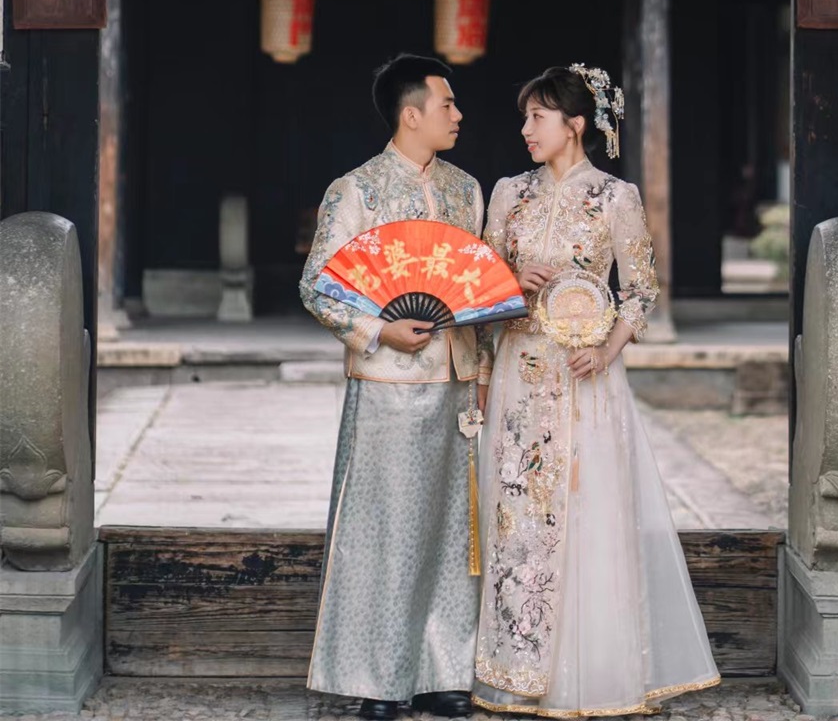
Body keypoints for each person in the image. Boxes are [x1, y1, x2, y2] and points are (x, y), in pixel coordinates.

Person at [473, 64, 720, 716]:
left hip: (583, 378)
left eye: (538, 117)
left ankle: (588, 673)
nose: (526, 130)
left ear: (575, 125)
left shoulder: (616, 198)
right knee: (517, 515)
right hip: (518, 372)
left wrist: (606, 350)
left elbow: (639, 290)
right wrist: (511, 284)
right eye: (525, 118)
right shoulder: (507, 194)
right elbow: (481, 288)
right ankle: (517, 668)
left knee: (587, 513)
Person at [299, 54, 491, 721]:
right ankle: (378, 680)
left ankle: (445, 674)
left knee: (452, 533)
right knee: (385, 531)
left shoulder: (468, 191)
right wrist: (379, 329)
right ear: (412, 115)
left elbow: (478, 287)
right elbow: (318, 286)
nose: (458, 115)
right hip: (387, 385)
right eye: (447, 104)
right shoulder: (356, 191)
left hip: (457, 383)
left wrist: (482, 371)